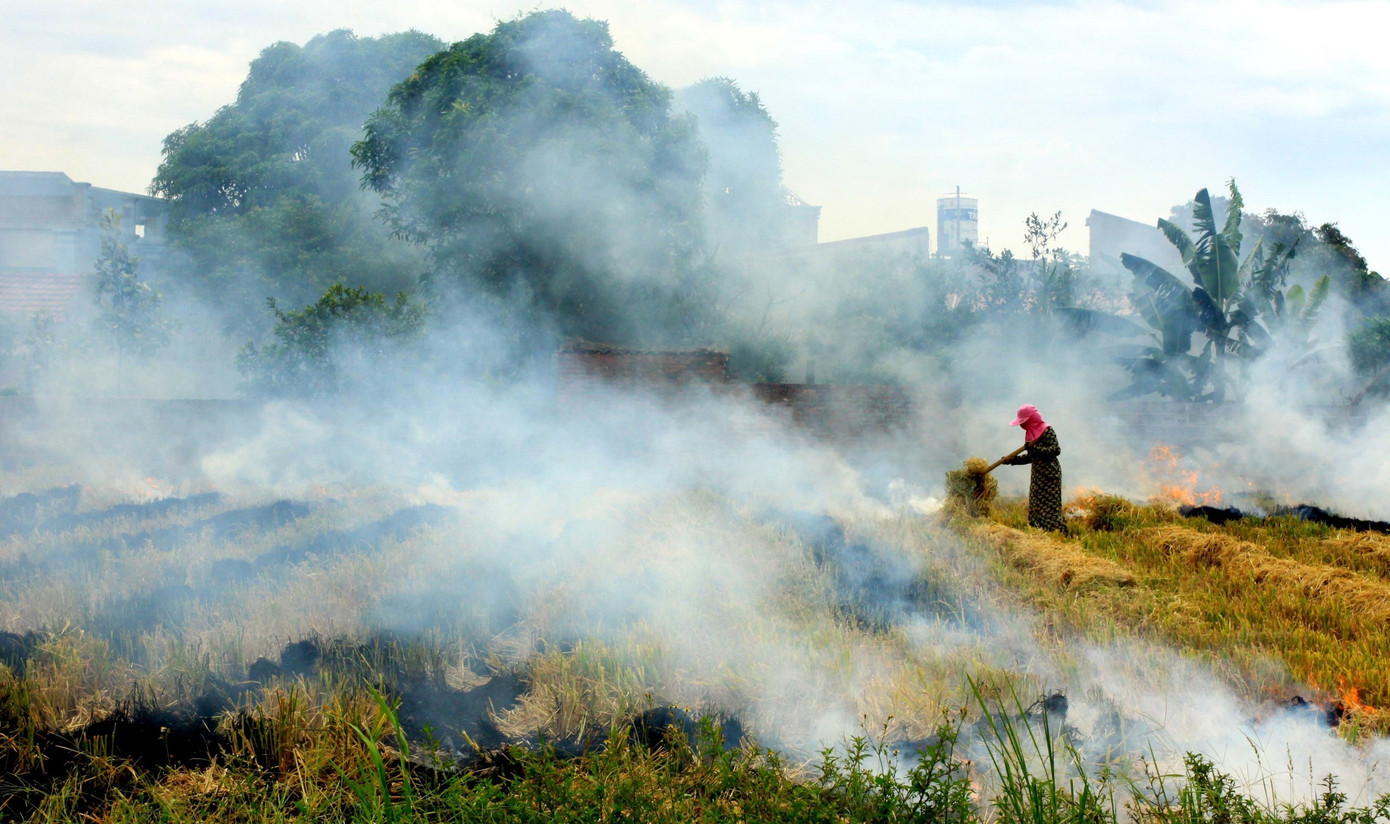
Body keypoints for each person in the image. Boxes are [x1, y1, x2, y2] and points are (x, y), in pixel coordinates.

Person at [1002, 404, 1063, 531]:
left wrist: (1035, 448)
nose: (1022, 425)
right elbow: (1030, 457)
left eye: (1024, 422)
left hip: (1050, 475)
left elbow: (1055, 450)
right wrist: (1011, 460)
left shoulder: (1047, 431)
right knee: (1036, 506)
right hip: (1037, 476)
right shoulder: (1030, 436)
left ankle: (1055, 532)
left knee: (1050, 507)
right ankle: (1038, 532)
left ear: (1031, 419)